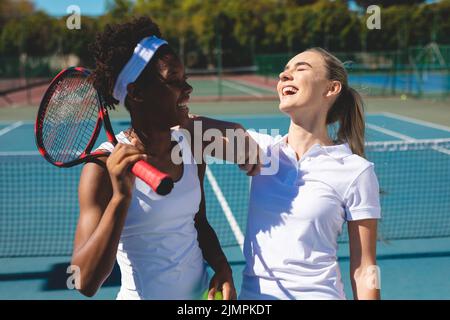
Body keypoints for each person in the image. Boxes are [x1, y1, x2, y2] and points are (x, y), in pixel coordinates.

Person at [70, 17, 257, 300]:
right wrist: (121, 197)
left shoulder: (190, 144)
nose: (187, 90)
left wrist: (221, 267)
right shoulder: (100, 168)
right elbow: (84, 282)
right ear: (136, 92)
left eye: (185, 80)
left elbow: (197, 221)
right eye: (174, 81)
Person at [236, 48, 382, 300]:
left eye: (300, 68)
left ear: (331, 88)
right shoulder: (262, 149)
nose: (284, 75)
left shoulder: (356, 171)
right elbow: (194, 133)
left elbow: (365, 267)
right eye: (284, 71)